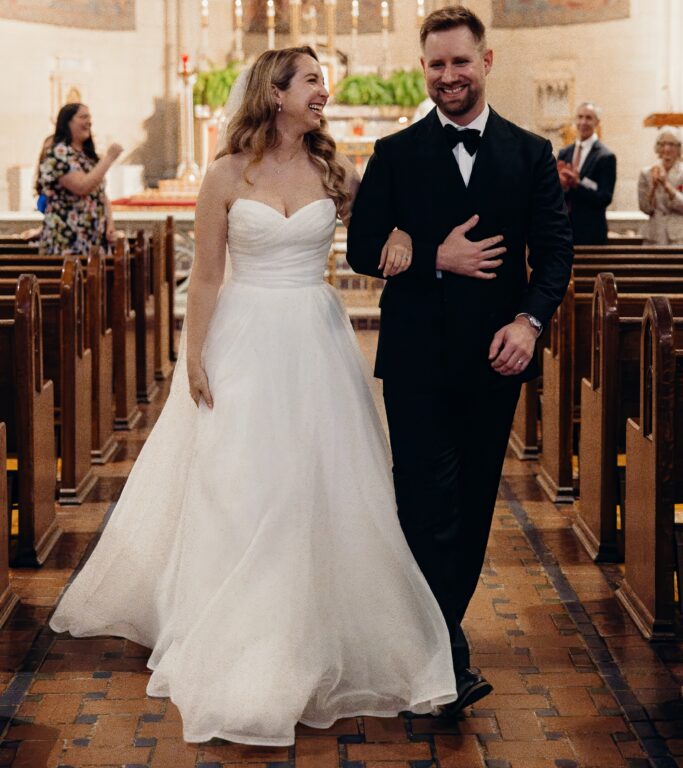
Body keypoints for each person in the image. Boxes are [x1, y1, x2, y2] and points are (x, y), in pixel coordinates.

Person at [51, 46, 457, 745]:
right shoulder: (224, 175)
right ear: (275, 93)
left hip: (315, 339)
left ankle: (316, 619)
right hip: (245, 340)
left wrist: (398, 230)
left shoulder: (335, 168)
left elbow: (382, 224)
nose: (323, 92)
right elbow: (206, 277)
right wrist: (193, 356)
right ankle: (241, 623)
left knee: (319, 482)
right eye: (311, 82)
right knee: (244, 483)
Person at [346, 6, 573, 716]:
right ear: (424, 69)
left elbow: (555, 250)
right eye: (435, 64)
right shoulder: (394, 153)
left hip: (493, 360)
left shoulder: (529, 153)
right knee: (421, 503)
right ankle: (443, 652)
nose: (447, 76)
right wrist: (429, 258)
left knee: (472, 505)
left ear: (486, 61)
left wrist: (529, 322)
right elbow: (359, 249)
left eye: (459, 62)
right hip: (414, 360)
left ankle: (434, 638)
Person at [35, 103, 122, 255]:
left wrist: (110, 225)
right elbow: (82, 186)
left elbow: (100, 194)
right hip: (67, 239)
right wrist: (109, 158)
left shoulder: (87, 156)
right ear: (67, 122)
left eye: (90, 118)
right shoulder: (58, 154)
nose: (89, 122)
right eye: (83, 117)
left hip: (93, 239)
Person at [556, 102, 616, 244]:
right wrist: (561, 185)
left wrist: (578, 184)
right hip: (564, 230)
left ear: (597, 122)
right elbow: (556, 195)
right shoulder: (564, 153)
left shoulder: (606, 156)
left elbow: (605, 197)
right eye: (580, 117)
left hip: (591, 231)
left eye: (589, 118)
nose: (583, 122)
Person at [637, 125, 683, 244]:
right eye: (663, 144)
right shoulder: (646, 172)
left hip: (678, 237)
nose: (666, 149)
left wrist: (667, 185)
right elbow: (645, 208)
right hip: (654, 235)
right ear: (658, 147)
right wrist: (652, 187)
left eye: (671, 144)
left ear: (679, 148)